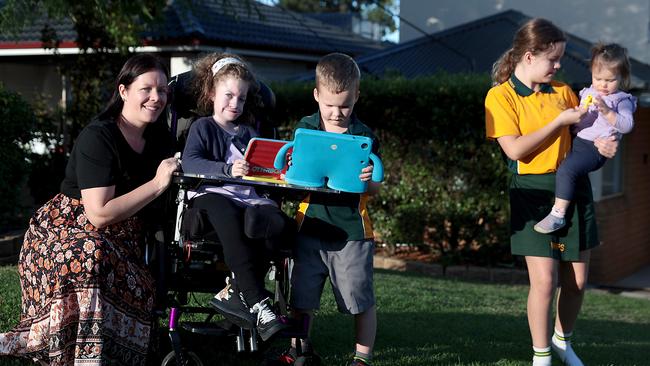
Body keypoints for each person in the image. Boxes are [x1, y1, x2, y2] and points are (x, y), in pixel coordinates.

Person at [0, 53, 180, 365]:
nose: (156, 97)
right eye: (147, 89)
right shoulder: (99, 136)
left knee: (105, 256)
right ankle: (78, 352)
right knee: (89, 253)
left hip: (124, 235)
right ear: (123, 91)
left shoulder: (161, 139)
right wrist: (157, 183)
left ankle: (112, 346)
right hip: (64, 228)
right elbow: (98, 214)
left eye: (163, 90)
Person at [485, 19, 620, 366]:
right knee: (544, 282)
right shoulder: (500, 96)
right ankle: (541, 355)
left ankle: (562, 341)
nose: (559, 66)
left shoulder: (564, 92)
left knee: (576, 282)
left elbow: (582, 145)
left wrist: (602, 149)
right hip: (531, 192)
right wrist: (557, 123)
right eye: (553, 59)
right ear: (529, 56)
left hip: (573, 189)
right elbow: (514, 151)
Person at [181, 53, 292, 342]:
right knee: (226, 211)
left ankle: (237, 292)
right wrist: (228, 169)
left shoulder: (250, 133)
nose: (235, 103)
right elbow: (191, 162)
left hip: (247, 199)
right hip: (212, 195)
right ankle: (257, 302)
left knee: (273, 221)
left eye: (241, 98)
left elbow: (263, 172)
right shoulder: (202, 127)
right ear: (211, 94)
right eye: (228, 95)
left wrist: (277, 170)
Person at [279, 53, 381, 366]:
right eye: (330, 105)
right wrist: (290, 165)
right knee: (302, 296)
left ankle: (361, 358)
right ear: (316, 96)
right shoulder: (306, 128)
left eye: (345, 106)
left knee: (358, 297)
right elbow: (290, 174)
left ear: (357, 97)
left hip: (351, 231)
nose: (337, 113)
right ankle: (300, 349)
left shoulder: (363, 136)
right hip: (310, 225)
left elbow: (375, 186)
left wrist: (368, 181)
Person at [534, 43, 636, 233]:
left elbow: (627, 125)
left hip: (594, 147)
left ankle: (557, 215)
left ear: (621, 77)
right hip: (578, 140)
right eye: (598, 78)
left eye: (610, 80)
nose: (603, 85)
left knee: (567, 170)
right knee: (560, 167)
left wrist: (606, 111)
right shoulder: (588, 92)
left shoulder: (621, 100)